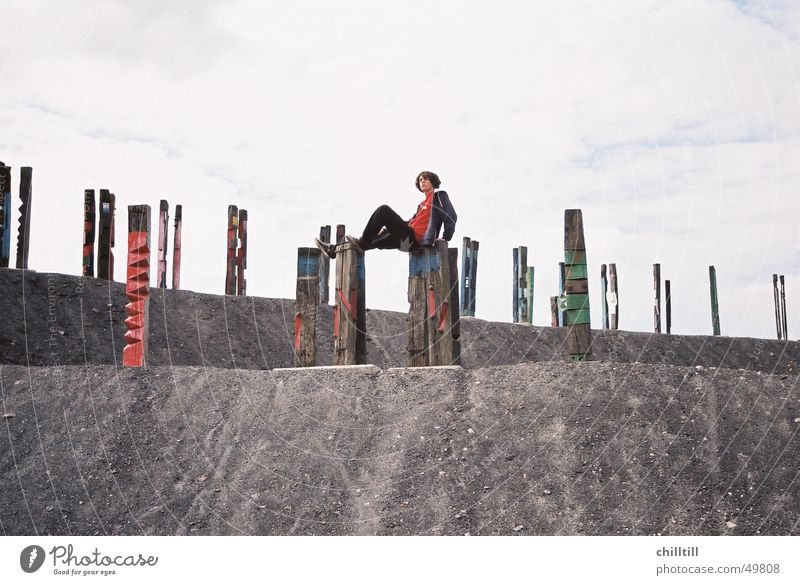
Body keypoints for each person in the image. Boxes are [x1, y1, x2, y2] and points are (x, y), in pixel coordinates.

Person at [315, 171, 457, 258]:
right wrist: (388, 229)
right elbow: (410, 223)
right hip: (405, 242)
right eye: (420, 180)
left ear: (433, 181)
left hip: (415, 241)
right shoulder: (421, 205)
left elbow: (451, 216)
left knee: (384, 211)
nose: (422, 181)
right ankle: (334, 250)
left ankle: (363, 240)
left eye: (425, 178)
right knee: (371, 241)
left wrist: (445, 237)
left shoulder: (439, 197)